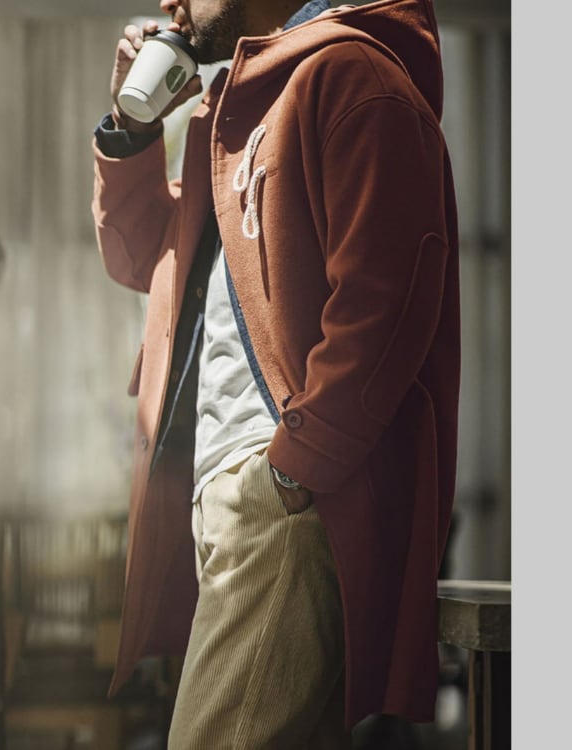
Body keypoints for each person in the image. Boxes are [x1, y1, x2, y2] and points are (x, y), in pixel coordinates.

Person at [90, 0, 460, 747]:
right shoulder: (234, 108)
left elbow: (385, 301)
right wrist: (132, 127)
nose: (168, 5)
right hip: (234, 492)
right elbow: (145, 260)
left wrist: (291, 472)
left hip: (280, 494)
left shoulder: (353, 75)